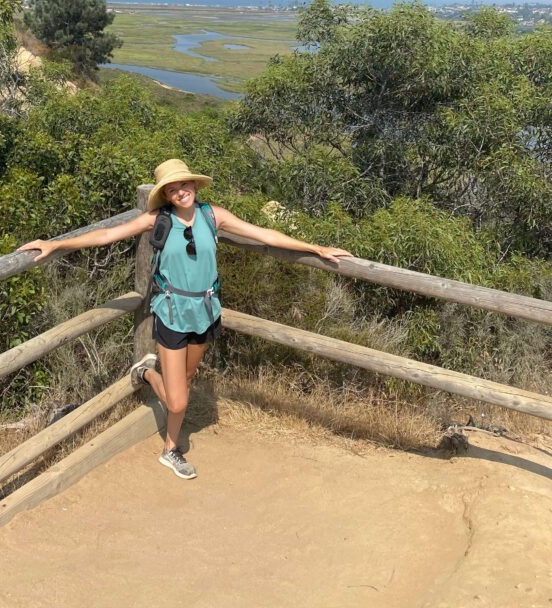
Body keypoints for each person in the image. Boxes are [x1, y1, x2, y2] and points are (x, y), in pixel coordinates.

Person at [18, 158, 352, 480]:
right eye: (172, 189)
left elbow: (263, 234)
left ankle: (158, 410)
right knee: (178, 400)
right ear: (165, 195)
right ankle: (159, 411)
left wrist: (317, 248)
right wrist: (55, 244)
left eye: (184, 184)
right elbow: (107, 235)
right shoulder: (158, 220)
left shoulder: (212, 216)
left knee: (188, 378)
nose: (180, 192)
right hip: (173, 312)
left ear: (194, 184)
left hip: (205, 312)